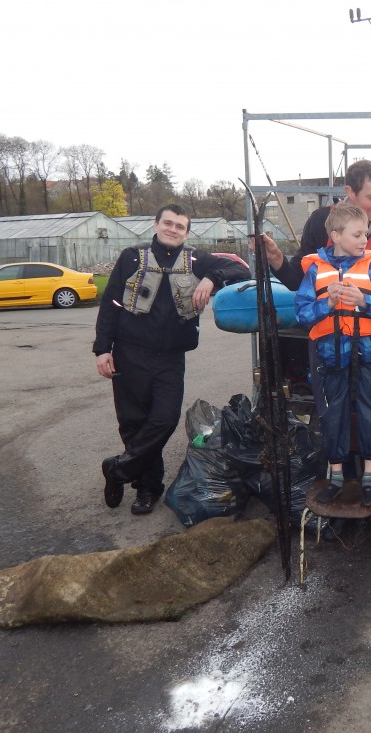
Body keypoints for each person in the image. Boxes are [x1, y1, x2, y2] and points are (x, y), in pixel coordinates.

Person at [94, 204, 251, 515]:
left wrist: (211, 279)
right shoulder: (131, 257)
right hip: (128, 353)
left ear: (187, 232)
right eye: (168, 223)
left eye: (180, 226)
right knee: (134, 423)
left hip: (170, 358)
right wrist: (102, 349)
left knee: (164, 419)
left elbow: (241, 270)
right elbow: (110, 304)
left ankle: (118, 469)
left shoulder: (197, 260)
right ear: (156, 225)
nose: (173, 229)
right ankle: (147, 489)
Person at [253, 160, 371, 412]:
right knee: (333, 413)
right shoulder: (321, 222)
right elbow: (297, 281)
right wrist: (276, 258)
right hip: (328, 341)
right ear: (349, 192)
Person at [294, 203, 371, 507]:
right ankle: (336, 477)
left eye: (366, 234)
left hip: (367, 355)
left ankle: (369, 478)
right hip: (331, 357)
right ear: (336, 236)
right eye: (357, 235)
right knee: (333, 415)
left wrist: (364, 301)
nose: (364, 240)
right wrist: (327, 304)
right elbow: (302, 314)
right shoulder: (315, 270)